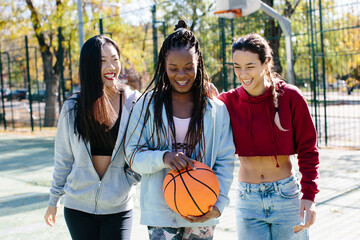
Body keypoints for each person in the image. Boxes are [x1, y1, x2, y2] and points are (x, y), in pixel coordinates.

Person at [124, 20, 236, 240]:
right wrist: (164, 158)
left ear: (199, 65)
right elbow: (132, 154)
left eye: (188, 68)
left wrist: (219, 203)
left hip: (203, 208)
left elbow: (225, 161)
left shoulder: (216, 109)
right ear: (163, 67)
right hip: (161, 212)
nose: (181, 75)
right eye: (173, 69)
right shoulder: (148, 105)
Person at [217, 33, 320, 239]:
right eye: (237, 66)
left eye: (250, 66)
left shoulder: (290, 97)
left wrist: (309, 196)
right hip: (248, 199)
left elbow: (308, 150)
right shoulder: (226, 102)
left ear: (266, 63)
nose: (243, 73)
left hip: (286, 197)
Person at [44, 35, 141, 240]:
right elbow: (63, 159)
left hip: (118, 207)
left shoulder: (134, 102)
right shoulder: (72, 107)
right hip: (78, 208)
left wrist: (129, 180)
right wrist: (54, 200)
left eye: (115, 59)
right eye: (102, 61)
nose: (111, 66)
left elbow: (143, 146)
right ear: (89, 66)